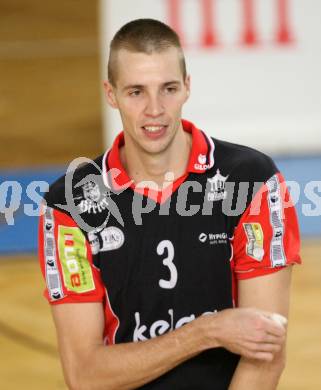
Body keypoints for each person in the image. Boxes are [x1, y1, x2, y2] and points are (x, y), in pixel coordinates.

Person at [38, 18, 301, 390]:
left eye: (168, 88)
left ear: (187, 88)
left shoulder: (252, 181)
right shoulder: (69, 204)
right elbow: (85, 374)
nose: (155, 109)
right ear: (110, 94)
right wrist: (206, 332)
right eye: (136, 92)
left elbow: (267, 355)